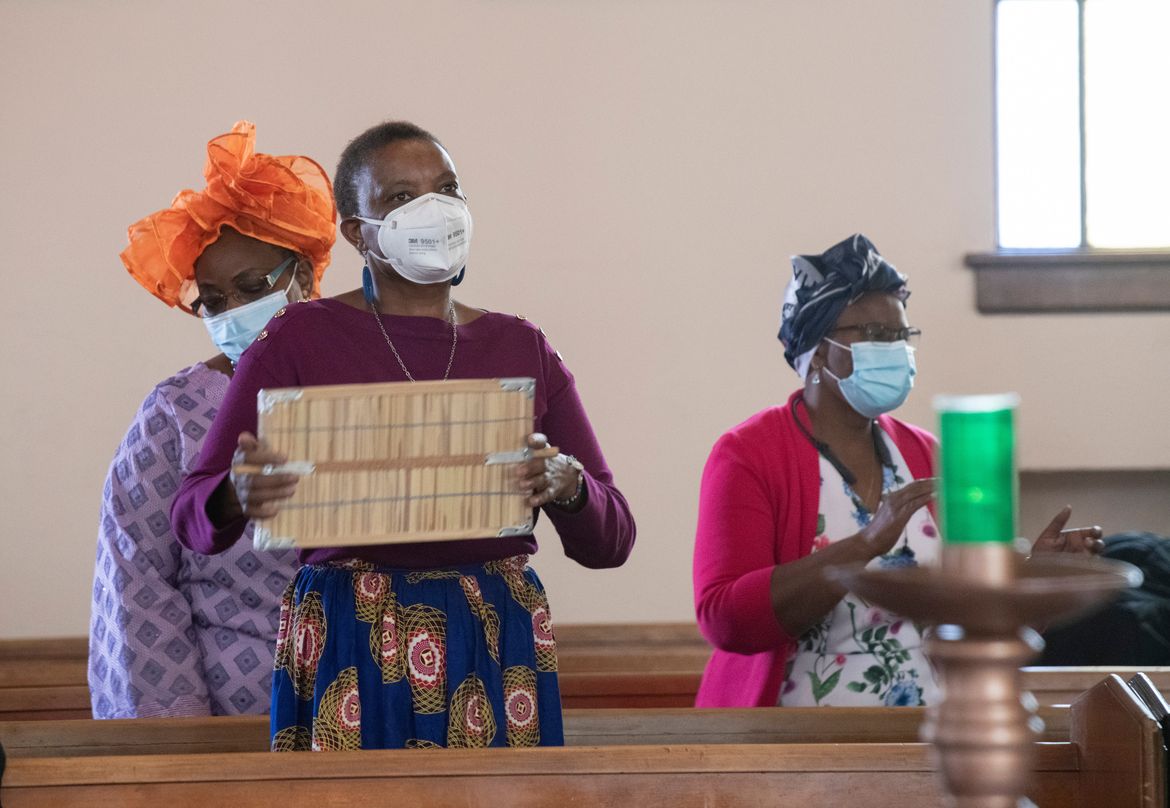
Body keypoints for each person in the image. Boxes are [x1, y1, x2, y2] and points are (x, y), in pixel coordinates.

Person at [170, 120, 635, 750]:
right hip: (349, 634)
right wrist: (236, 493)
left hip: (493, 635)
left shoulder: (519, 345)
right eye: (399, 198)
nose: (433, 210)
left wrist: (568, 485)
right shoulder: (298, 339)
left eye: (447, 188)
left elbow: (612, 539)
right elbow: (192, 516)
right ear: (358, 232)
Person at [692, 234, 1103, 708]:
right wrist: (866, 544)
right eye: (873, 334)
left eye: (901, 336)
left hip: (928, 731)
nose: (894, 350)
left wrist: (1031, 579)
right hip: (791, 743)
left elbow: (972, 629)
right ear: (819, 350)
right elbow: (725, 620)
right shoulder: (749, 455)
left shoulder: (924, 453)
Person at [89, 122, 336, 718]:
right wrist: (181, 744)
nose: (233, 313)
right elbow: (136, 587)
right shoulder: (174, 413)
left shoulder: (370, 385)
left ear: (301, 279)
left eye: (252, 287)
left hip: (375, 707)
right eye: (214, 301)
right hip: (231, 722)